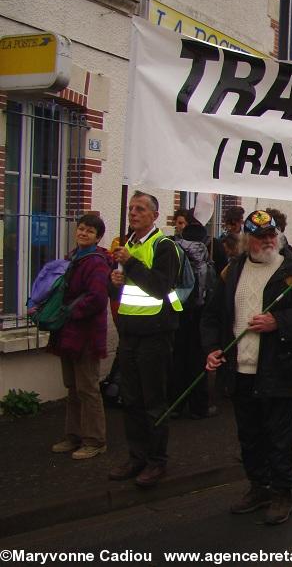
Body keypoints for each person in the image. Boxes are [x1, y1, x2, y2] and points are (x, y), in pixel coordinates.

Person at [201, 210, 292, 525]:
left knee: (278, 436)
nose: (269, 241)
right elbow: (214, 316)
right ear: (247, 240)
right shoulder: (233, 270)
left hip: (278, 369)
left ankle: (282, 491)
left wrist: (278, 321)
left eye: (272, 234)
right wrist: (213, 348)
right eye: (261, 237)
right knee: (249, 435)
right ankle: (258, 487)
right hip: (239, 369)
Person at [108, 191, 182, 488]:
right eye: (130, 208)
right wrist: (113, 285)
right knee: (132, 401)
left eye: (140, 209)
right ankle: (136, 457)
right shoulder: (128, 245)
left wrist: (132, 265)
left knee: (154, 401)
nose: (133, 213)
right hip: (130, 333)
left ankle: (156, 461)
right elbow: (124, 292)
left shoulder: (164, 246)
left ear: (154, 215)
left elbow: (160, 287)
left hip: (155, 334)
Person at [45, 215, 114, 460]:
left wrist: (69, 310)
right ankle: (73, 435)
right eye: (81, 229)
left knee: (88, 388)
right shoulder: (72, 258)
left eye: (89, 231)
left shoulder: (96, 263)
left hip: (86, 335)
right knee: (72, 387)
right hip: (68, 334)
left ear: (98, 237)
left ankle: (95, 440)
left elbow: (96, 297)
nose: (83, 233)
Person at [169, 218, 216, 420]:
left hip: (177, 310)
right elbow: (212, 286)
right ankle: (199, 406)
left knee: (177, 359)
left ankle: (175, 405)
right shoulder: (205, 252)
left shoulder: (173, 250)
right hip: (200, 312)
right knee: (198, 360)